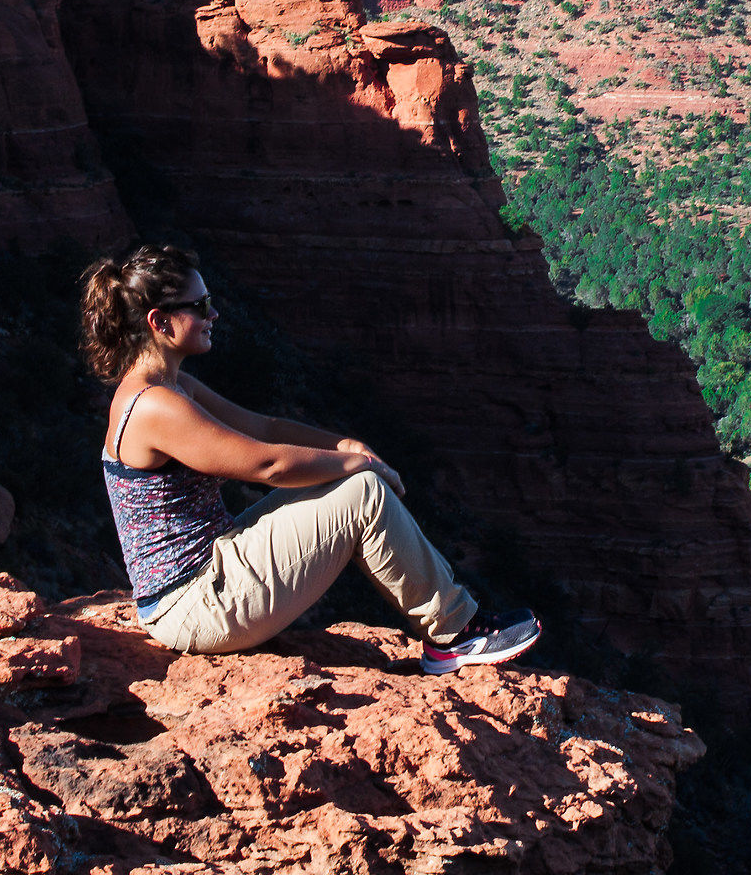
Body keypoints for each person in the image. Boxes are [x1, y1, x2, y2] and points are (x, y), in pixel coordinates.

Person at [85, 244, 540, 674]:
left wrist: (343, 446)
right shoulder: (153, 405)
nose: (214, 313)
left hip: (207, 576)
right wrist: (360, 466)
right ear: (160, 323)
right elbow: (270, 466)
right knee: (362, 493)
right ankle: (454, 635)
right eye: (200, 306)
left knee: (347, 481)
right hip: (192, 604)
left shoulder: (170, 387)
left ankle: (454, 627)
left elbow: (264, 428)